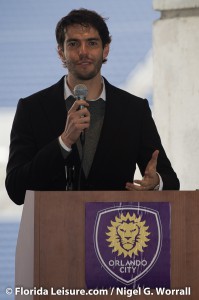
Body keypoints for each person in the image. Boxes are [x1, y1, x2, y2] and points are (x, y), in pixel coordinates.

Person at [5, 8, 180, 205]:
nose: (83, 52)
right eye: (73, 44)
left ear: (106, 49)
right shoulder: (32, 109)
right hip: (52, 231)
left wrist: (156, 183)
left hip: (113, 231)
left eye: (92, 43)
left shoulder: (134, 110)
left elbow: (170, 180)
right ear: (61, 52)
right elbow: (16, 190)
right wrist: (63, 143)